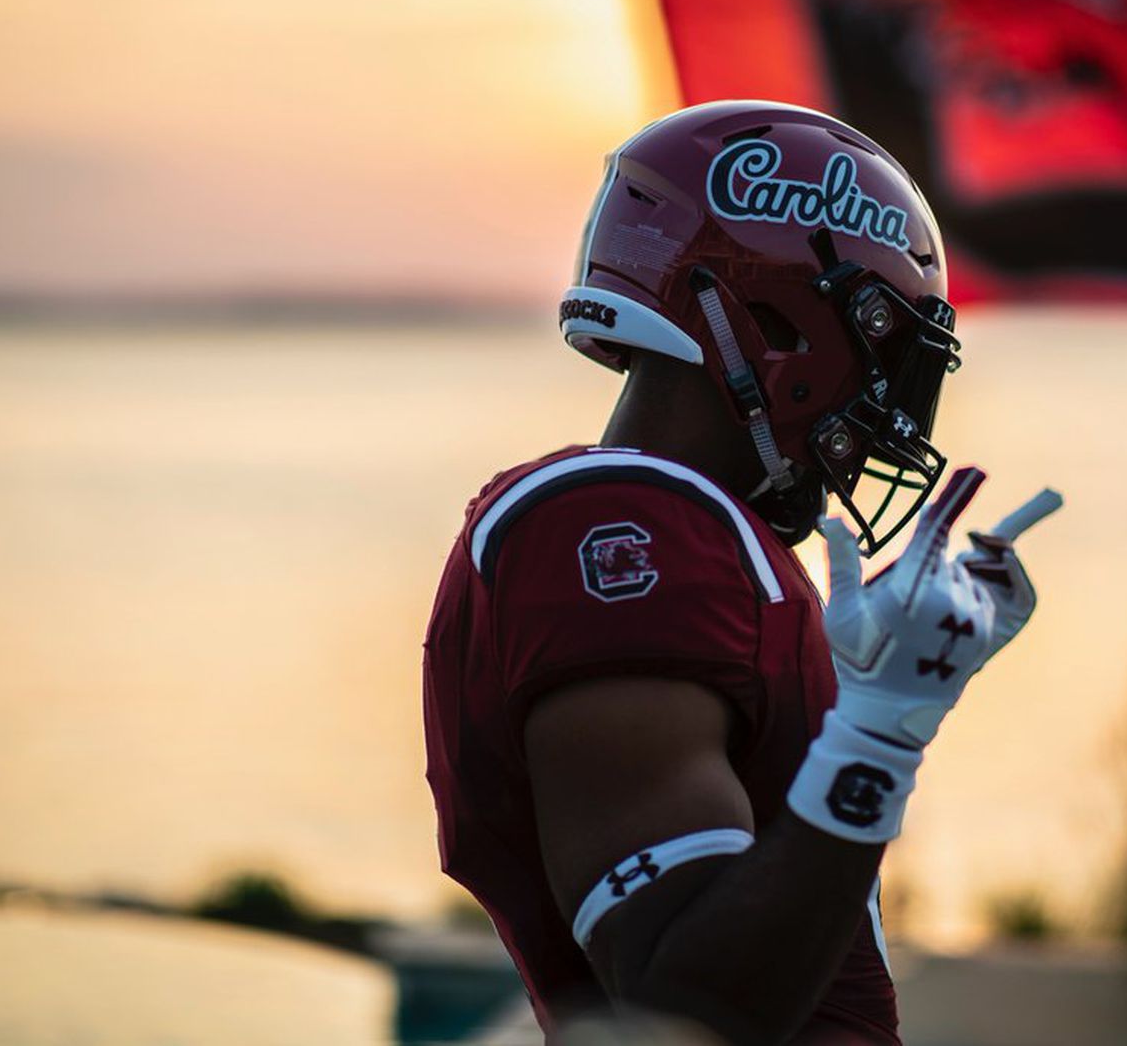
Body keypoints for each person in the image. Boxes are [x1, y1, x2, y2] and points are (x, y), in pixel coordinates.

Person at [422, 100, 1060, 1044]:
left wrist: (849, 698)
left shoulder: (703, 534)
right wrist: (883, 734)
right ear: (774, 324)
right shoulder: (623, 522)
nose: (895, 414)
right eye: (884, 350)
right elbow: (683, 1005)